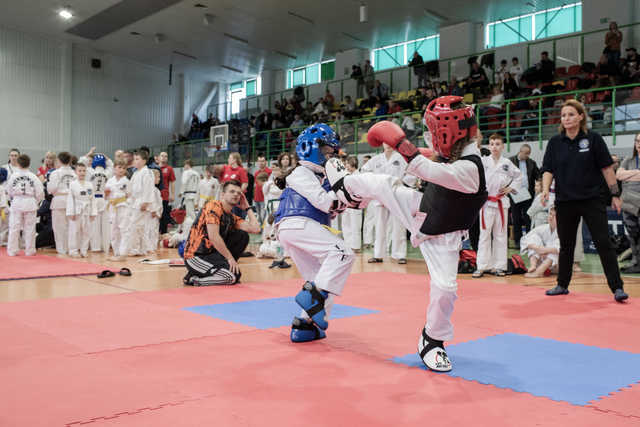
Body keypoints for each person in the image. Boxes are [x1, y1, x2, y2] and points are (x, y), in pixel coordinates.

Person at [326, 96, 487, 371]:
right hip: (422, 210)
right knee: (383, 184)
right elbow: (435, 163)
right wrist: (418, 150)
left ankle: (432, 340)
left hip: (443, 238)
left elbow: (427, 169)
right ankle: (345, 187)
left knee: (446, 289)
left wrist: (399, 141)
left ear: (448, 131)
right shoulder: (458, 156)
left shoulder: (471, 167)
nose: (433, 137)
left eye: (435, 131)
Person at [541, 99, 628, 302]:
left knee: (603, 243)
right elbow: (548, 169)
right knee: (567, 246)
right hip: (565, 201)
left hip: (592, 199)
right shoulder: (555, 143)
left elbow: (607, 169)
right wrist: (545, 190)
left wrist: (615, 194)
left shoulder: (594, 139)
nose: (567, 118)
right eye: (563, 115)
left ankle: (617, 288)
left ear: (581, 116)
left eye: (571, 114)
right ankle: (562, 284)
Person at [274, 123, 354, 343]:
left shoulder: (320, 177)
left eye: (332, 151)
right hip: (297, 225)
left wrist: (349, 196)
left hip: (298, 228)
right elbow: (323, 202)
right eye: (327, 150)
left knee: (320, 277)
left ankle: (305, 325)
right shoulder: (300, 172)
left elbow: (331, 208)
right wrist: (345, 196)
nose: (330, 155)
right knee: (343, 254)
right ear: (311, 147)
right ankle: (311, 298)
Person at [183, 180, 261, 286]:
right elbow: (214, 237)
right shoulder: (213, 206)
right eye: (232, 191)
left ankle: (215, 270)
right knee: (230, 277)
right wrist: (230, 258)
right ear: (223, 194)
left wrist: (247, 207)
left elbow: (256, 229)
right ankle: (194, 280)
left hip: (212, 256)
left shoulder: (231, 217)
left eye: (238, 193)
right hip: (196, 257)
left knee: (242, 236)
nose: (236, 195)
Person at [473, 134, 522, 278]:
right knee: (484, 235)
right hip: (486, 202)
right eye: (492, 143)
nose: (495, 146)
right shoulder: (483, 161)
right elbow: (475, 176)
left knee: (501, 235)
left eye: (498, 144)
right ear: (489, 146)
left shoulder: (507, 163)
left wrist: (511, 188)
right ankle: (482, 266)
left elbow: (518, 176)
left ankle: (499, 266)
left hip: (501, 202)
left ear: (502, 146)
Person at [363, 141, 416, 265]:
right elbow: (364, 171)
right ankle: (378, 254)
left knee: (399, 226)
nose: (387, 145)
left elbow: (411, 174)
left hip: (396, 195)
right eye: (385, 142)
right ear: (382, 144)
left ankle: (400, 254)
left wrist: (401, 183)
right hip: (381, 196)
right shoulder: (376, 159)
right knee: (380, 226)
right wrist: (373, 185)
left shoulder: (401, 159)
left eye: (390, 142)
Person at [112, 150, 155, 261]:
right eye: (134, 159)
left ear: (144, 161)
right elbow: (131, 189)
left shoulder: (147, 172)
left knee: (132, 227)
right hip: (134, 202)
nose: (135, 161)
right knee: (139, 228)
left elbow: (149, 189)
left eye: (137, 159)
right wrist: (128, 195)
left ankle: (129, 252)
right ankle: (142, 249)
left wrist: (146, 202)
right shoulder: (136, 173)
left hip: (141, 203)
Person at [6, 154, 44, 256]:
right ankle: (30, 250)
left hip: (17, 201)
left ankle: (12, 250)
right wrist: (35, 201)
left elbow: (8, 191)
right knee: (30, 228)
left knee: (14, 227)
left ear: (18, 164)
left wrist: (12, 199)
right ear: (29, 164)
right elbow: (40, 193)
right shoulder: (33, 176)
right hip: (30, 202)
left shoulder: (14, 176)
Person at [616, 133, 640, 273]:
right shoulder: (628, 159)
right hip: (629, 204)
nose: (639, 144)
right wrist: (637, 173)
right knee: (633, 235)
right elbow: (619, 175)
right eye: (637, 141)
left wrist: (629, 174)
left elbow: (624, 175)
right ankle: (636, 262)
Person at [509, 144, 540, 247]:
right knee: (516, 218)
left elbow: (538, 175)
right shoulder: (510, 161)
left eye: (529, 154)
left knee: (528, 218)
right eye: (525, 153)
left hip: (527, 194)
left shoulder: (531, 163)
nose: (527, 155)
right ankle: (518, 242)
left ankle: (528, 241)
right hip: (515, 194)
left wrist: (540, 183)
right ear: (520, 151)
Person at [47, 152, 76, 255]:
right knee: (71, 226)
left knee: (59, 227)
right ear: (70, 161)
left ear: (59, 160)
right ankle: (71, 248)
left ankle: (61, 249)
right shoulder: (75, 173)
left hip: (59, 200)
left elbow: (50, 189)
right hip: (72, 201)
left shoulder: (55, 173)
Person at [66, 162, 97, 258]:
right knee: (74, 231)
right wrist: (71, 212)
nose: (82, 173)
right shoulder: (72, 184)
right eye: (80, 171)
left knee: (87, 231)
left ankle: (84, 250)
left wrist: (93, 212)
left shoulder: (90, 185)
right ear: (76, 172)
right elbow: (70, 199)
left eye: (84, 171)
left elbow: (93, 199)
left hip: (87, 210)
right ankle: (73, 251)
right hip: (76, 210)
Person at [521, 207, 559, 278]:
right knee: (534, 237)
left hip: (559, 265)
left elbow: (560, 249)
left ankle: (539, 272)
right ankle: (533, 265)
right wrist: (537, 248)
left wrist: (544, 250)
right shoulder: (543, 228)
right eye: (550, 214)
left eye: (554, 216)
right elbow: (525, 239)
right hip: (543, 259)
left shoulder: (564, 231)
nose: (551, 217)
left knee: (555, 251)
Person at [104, 160, 129, 258]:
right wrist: (106, 194)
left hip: (123, 207)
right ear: (114, 168)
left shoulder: (127, 181)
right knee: (113, 230)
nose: (121, 170)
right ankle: (116, 251)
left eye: (123, 168)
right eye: (119, 167)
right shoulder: (110, 181)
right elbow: (105, 196)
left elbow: (130, 195)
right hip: (112, 207)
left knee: (123, 229)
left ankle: (123, 252)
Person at [88, 154, 112, 253]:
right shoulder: (107, 173)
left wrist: (89, 154)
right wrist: (107, 158)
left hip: (93, 199)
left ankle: (95, 247)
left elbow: (83, 162)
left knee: (94, 225)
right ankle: (105, 247)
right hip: (104, 200)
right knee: (105, 226)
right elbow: (112, 165)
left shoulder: (90, 172)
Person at [340, 156, 363, 252]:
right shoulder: (346, 175)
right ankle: (348, 244)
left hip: (356, 204)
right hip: (346, 204)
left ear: (353, 163)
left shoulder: (359, 175)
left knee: (355, 225)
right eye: (345, 164)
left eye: (347, 164)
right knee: (346, 225)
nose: (346, 166)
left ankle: (356, 246)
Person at [144, 169, 163, 254]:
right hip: (150, 213)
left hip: (156, 214)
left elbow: (159, 203)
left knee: (155, 230)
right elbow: (150, 201)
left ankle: (153, 246)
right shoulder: (149, 190)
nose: (159, 179)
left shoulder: (156, 190)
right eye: (157, 177)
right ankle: (148, 247)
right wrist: (153, 210)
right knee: (148, 230)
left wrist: (159, 212)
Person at [158, 152, 176, 234]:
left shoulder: (169, 169)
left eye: (166, 156)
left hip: (165, 196)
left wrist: (172, 194)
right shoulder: (155, 168)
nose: (164, 157)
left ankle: (163, 233)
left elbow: (172, 182)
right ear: (159, 157)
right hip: (155, 196)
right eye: (162, 156)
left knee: (164, 216)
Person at [253, 155, 272, 224]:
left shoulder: (269, 172)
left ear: (266, 162)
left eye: (263, 161)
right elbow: (256, 186)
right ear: (257, 162)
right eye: (259, 161)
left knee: (263, 215)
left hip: (264, 198)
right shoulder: (256, 173)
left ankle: (263, 229)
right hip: (256, 198)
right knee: (259, 216)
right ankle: (261, 228)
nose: (261, 163)